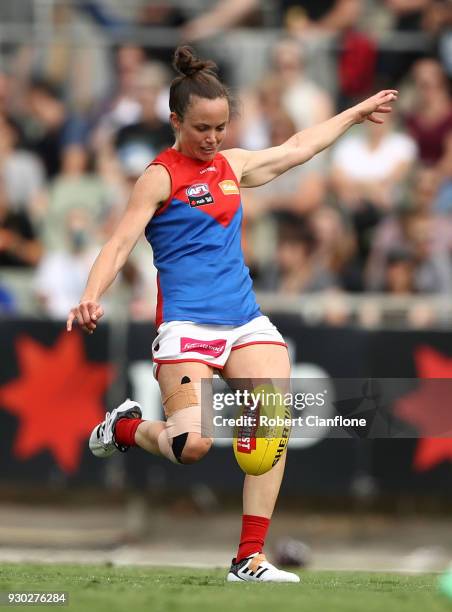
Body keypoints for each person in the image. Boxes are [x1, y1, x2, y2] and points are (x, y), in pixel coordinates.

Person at [66, 46, 397, 583]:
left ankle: (249, 558)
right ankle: (124, 427)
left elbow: (296, 148)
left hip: (244, 321)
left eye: (221, 127)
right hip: (185, 328)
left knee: (273, 421)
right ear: (175, 121)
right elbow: (120, 242)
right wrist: (91, 293)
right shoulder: (159, 176)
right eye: (202, 128)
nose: (213, 138)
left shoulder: (232, 165)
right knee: (190, 445)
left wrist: (355, 114)